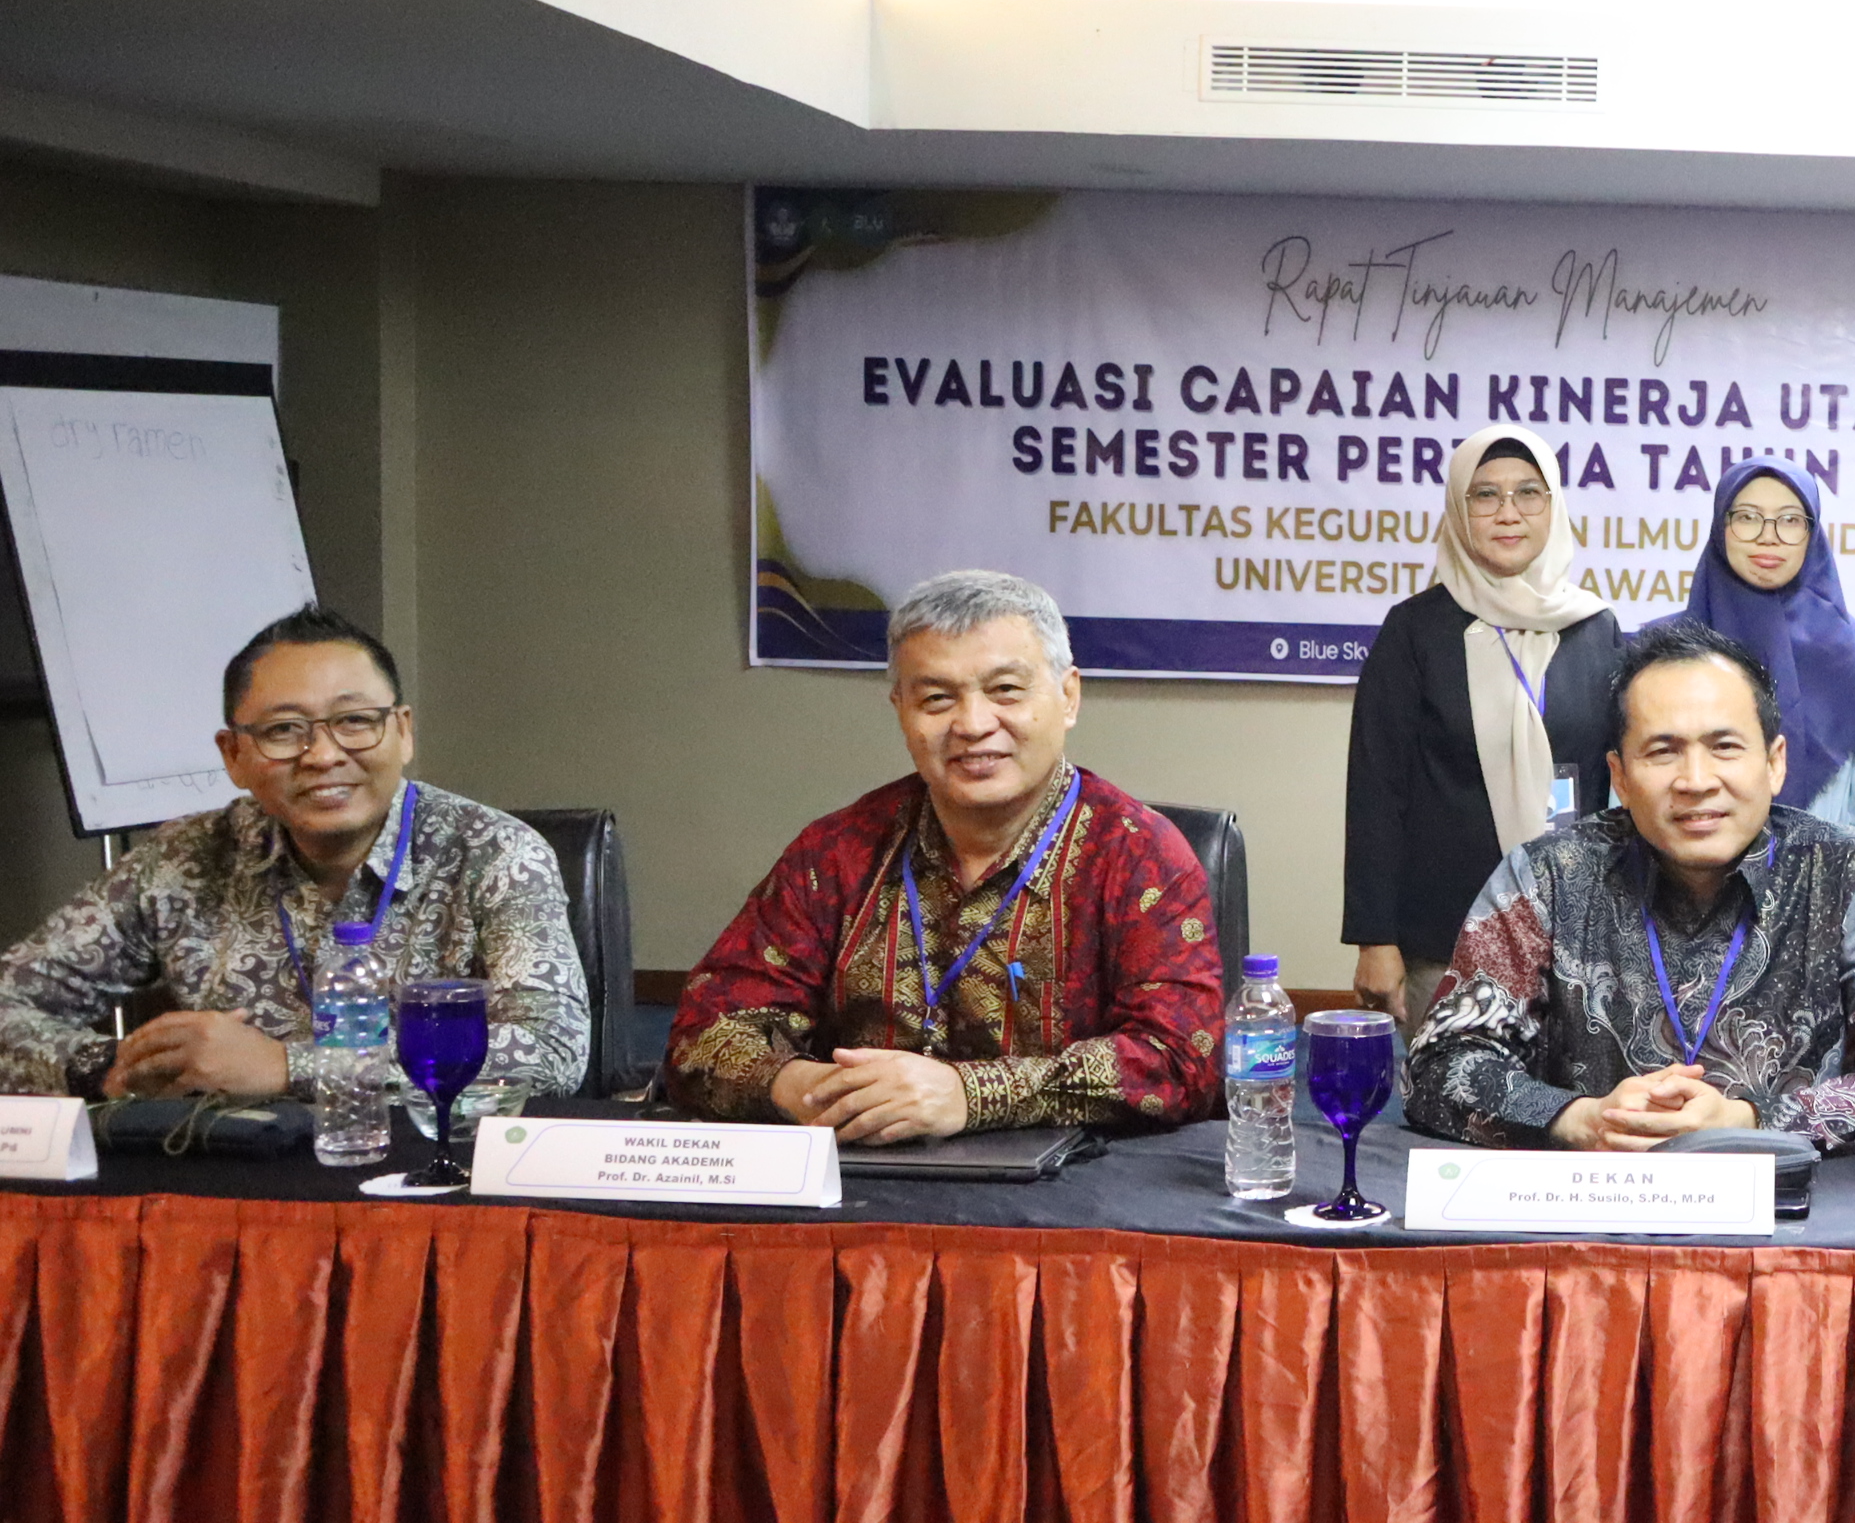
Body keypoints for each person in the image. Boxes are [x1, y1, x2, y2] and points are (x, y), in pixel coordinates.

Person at [668, 569, 1221, 1138]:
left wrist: (970, 1094)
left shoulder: (1140, 855)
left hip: (1075, 1180)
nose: (973, 725)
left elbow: (1181, 1060)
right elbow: (701, 1033)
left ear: (1068, 696)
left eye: (1006, 690)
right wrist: (810, 1089)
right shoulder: (836, 853)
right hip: (862, 1169)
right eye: (937, 698)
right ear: (900, 709)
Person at [1407, 619, 1855, 1154]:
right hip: (1598, 1199)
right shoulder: (1548, 876)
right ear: (1620, 776)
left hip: (1798, 1206)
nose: (1696, 782)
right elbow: (1439, 1064)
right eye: (1663, 751)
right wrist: (1582, 1119)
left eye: (1724, 747)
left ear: (1774, 763)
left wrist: (1751, 1123)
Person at [0, 603, 588, 1102]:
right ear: (233, 755)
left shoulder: (496, 853)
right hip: (232, 1171)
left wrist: (288, 1067)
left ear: (403, 731)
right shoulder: (180, 861)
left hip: (431, 1169)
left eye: (355, 721)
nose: (323, 756)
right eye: (284, 730)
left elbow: (553, 1050)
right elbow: (10, 1000)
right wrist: (115, 1066)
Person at [1344, 427, 1620, 1027]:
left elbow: (1616, 779)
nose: (1508, 512)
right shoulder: (1415, 630)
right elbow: (1376, 790)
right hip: (1444, 935)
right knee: (1450, 1084)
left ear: (1554, 506)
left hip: (1571, 931)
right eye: (1485, 495)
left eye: (1529, 493)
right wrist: (1375, 939)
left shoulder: (1595, 629)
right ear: (1458, 510)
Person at [1677, 456, 1855, 828]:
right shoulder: (1667, 651)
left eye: (1789, 520)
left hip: (1825, 854)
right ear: (1721, 526)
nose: (1768, 536)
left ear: (1812, 533)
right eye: (1747, 517)